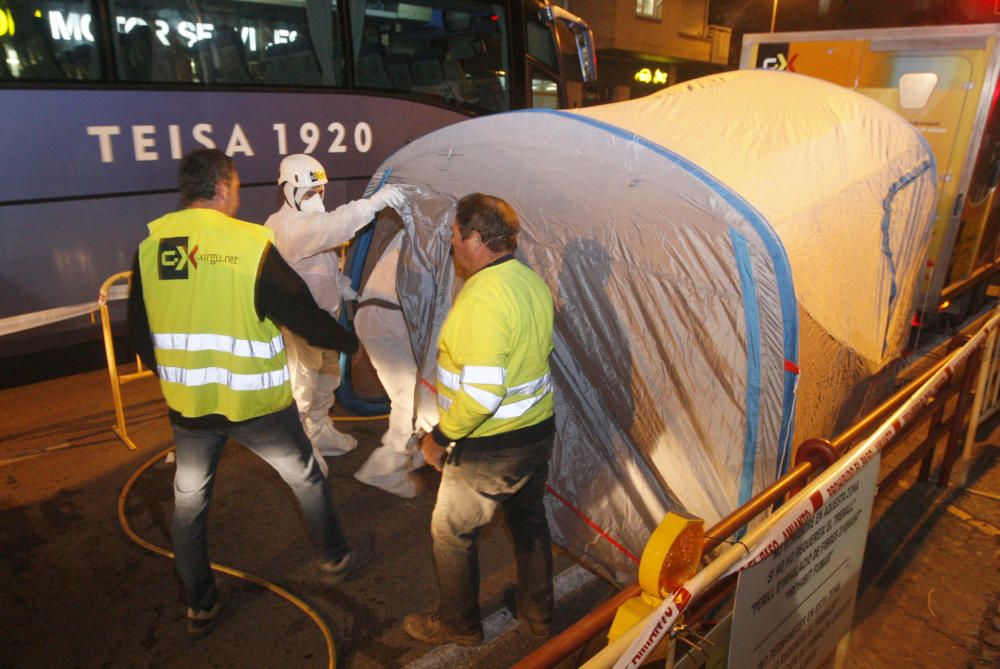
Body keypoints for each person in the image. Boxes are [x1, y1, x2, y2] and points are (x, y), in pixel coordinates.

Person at [128, 148, 371, 637]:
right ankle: (334, 555)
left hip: (191, 408)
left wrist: (177, 375)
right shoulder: (247, 243)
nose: (237, 195)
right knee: (304, 477)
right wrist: (349, 342)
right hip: (257, 405)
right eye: (235, 186)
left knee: (190, 505)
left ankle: (200, 604)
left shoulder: (151, 246)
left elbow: (139, 332)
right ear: (222, 187)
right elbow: (301, 314)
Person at [403, 194, 556, 646]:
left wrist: (440, 437)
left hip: (491, 446)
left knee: (450, 531)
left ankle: (459, 624)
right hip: (535, 432)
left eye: (453, 234)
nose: (451, 244)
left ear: (475, 238)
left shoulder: (482, 301)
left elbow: (484, 394)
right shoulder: (528, 281)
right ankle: (539, 614)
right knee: (528, 522)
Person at [264, 154, 405, 474]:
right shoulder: (285, 226)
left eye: (319, 192)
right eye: (308, 193)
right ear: (288, 191)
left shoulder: (311, 225)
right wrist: (374, 203)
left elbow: (324, 264)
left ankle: (319, 429)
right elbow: (334, 229)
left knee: (327, 378)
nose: (316, 199)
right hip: (300, 325)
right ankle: (299, 448)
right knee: (301, 386)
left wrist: (344, 289)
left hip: (325, 320)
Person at [353, 228, 436, 498]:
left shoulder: (416, 224)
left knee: (414, 395)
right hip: (390, 318)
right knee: (410, 401)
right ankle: (383, 469)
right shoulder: (433, 230)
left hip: (380, 315)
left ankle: (411, 455)